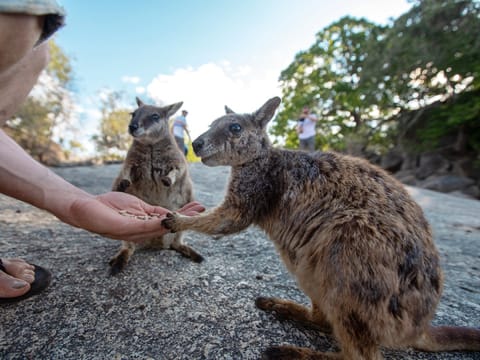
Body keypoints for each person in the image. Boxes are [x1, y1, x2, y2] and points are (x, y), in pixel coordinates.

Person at [0, 1, 205, 303]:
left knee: (36, 52)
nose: (137, 126)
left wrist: (75, 203)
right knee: (25, 33)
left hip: (168, 198)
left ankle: (176, 241)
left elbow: (177, 168)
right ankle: (127, 246)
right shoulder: (136, 147)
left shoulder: (170, 140)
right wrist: (123, 180)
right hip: (145, 197)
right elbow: (127, 170)